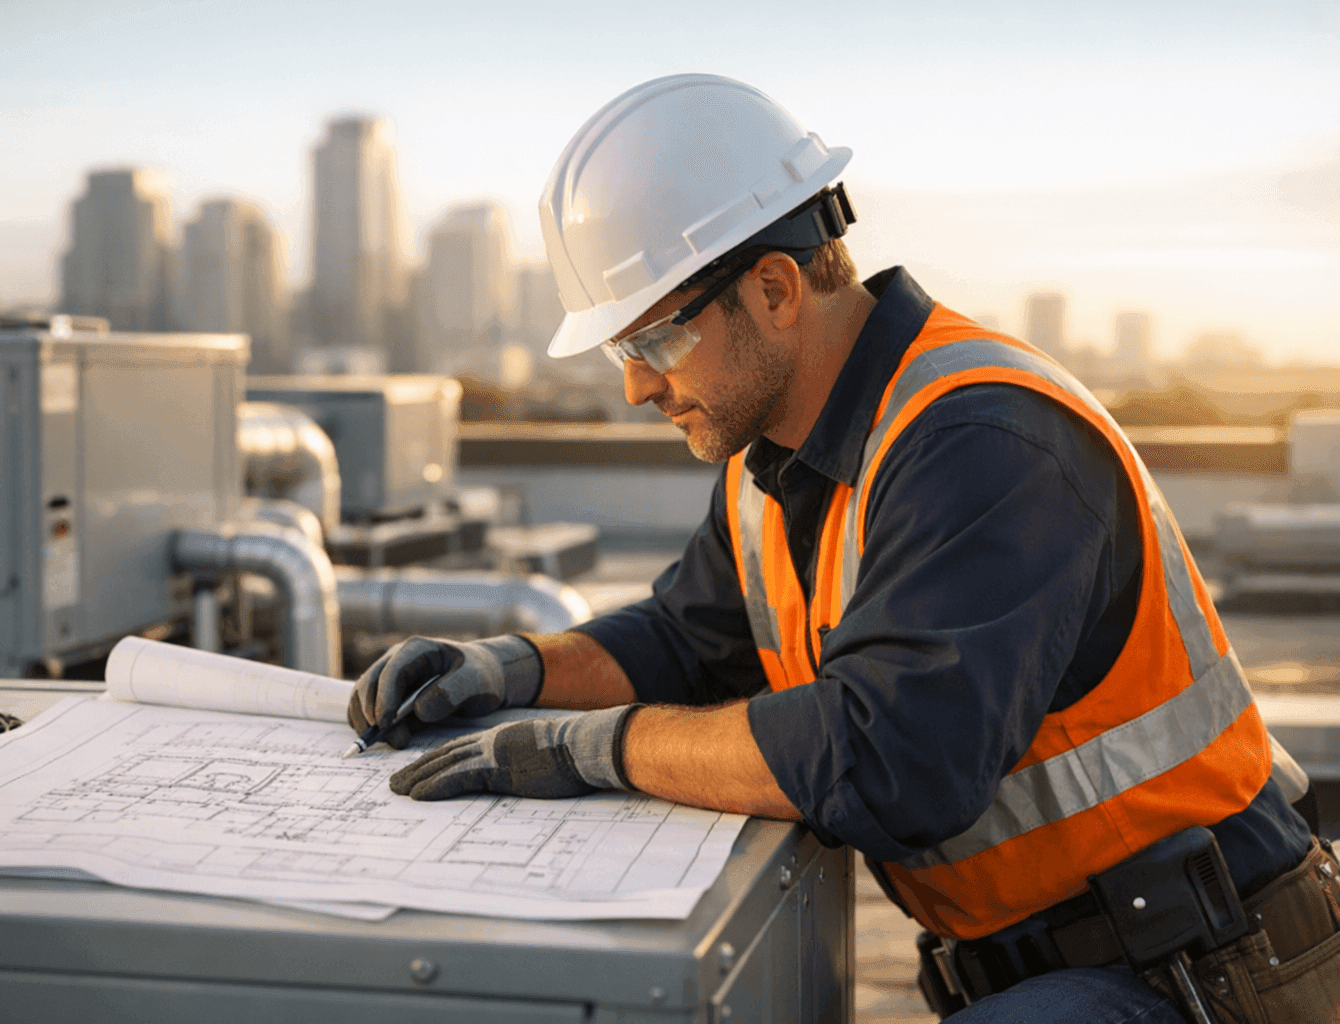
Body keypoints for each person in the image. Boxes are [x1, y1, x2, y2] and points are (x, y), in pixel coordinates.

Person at [350, 74, 1338, 1022]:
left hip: (1199, 973)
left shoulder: (979, 445)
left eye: (650, 344)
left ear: (776, 288)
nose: (635, 390)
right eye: (622, 353)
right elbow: (686, 642)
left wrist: (598, 747)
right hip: (1062, 964)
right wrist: (509, 668)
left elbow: (888, 760)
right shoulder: (768, 461)